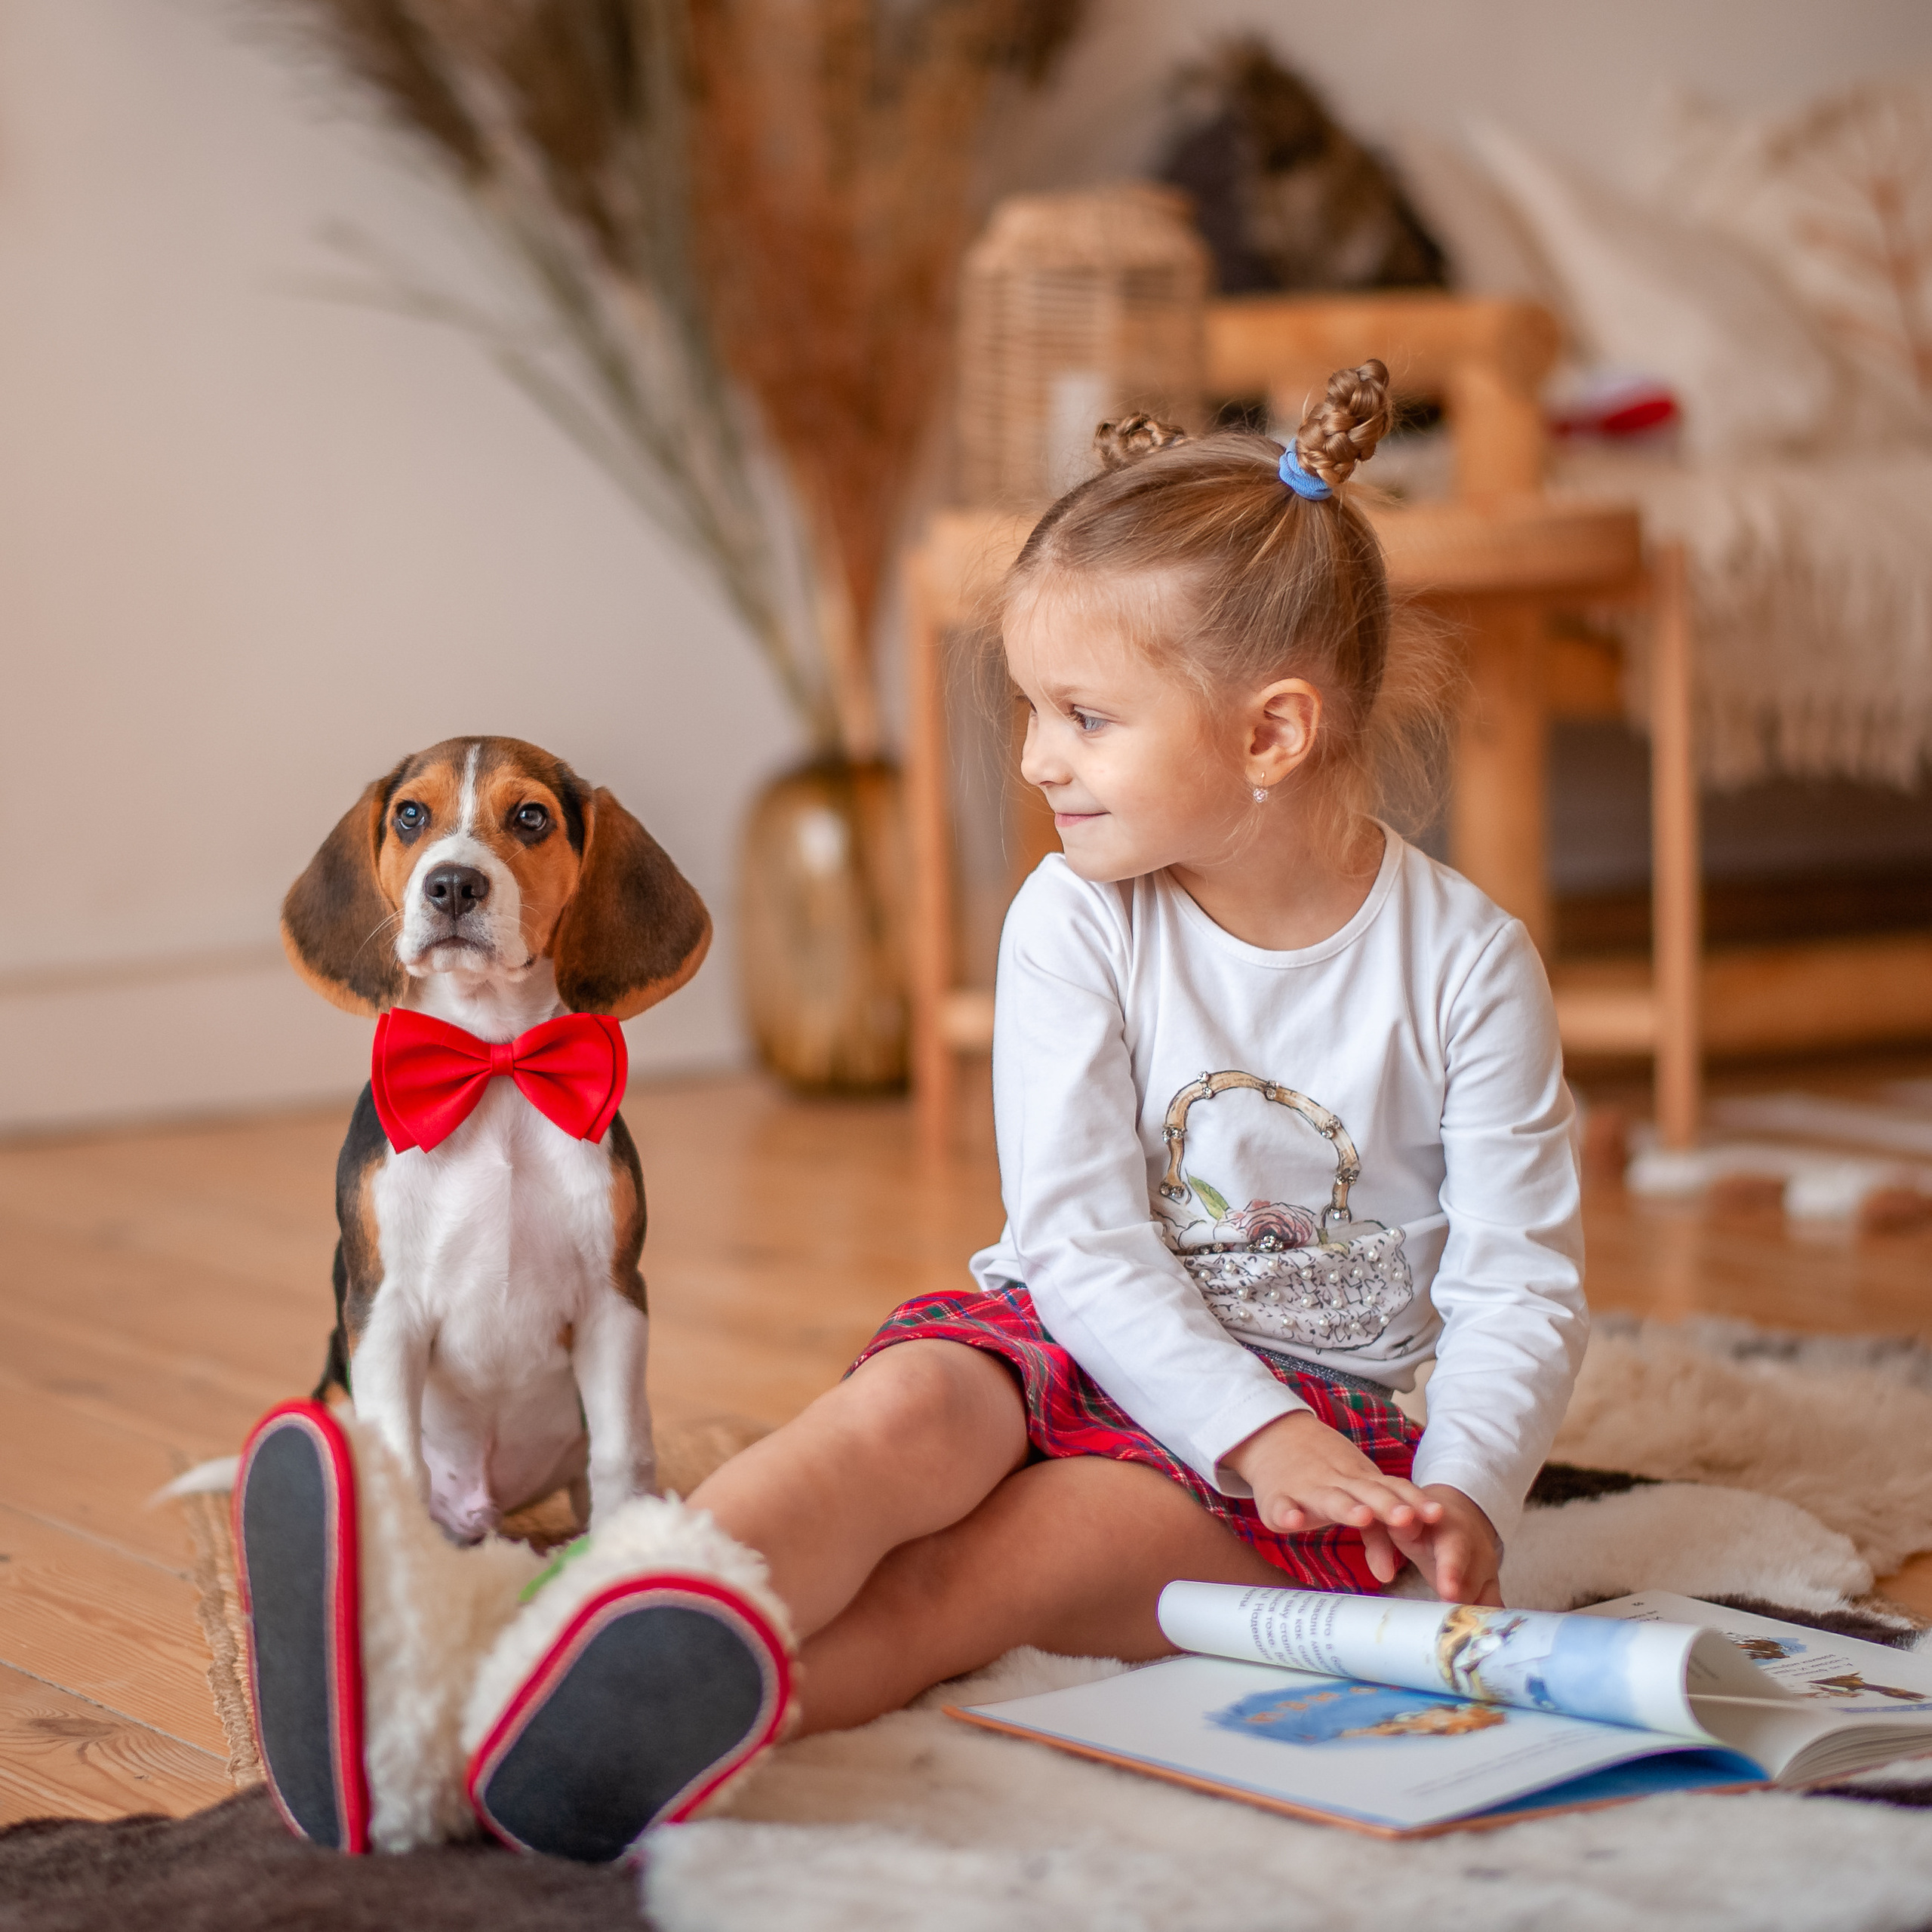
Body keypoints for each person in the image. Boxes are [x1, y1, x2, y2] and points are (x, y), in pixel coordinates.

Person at [235, 360, 1586, 1863]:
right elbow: (1076, 1242)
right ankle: (491, 1655)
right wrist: (1234, 1420)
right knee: (886, 1425)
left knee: (970, 1581)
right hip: (1063, 1332)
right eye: (1031, 709)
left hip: (1311, 1436)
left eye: (1084, 716)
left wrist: (1458, 1487)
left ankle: (577, 1755)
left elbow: (1518, 1283)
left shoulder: (1466, 965)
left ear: (1270, 733)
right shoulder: (1073, 916)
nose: (1037, 757)